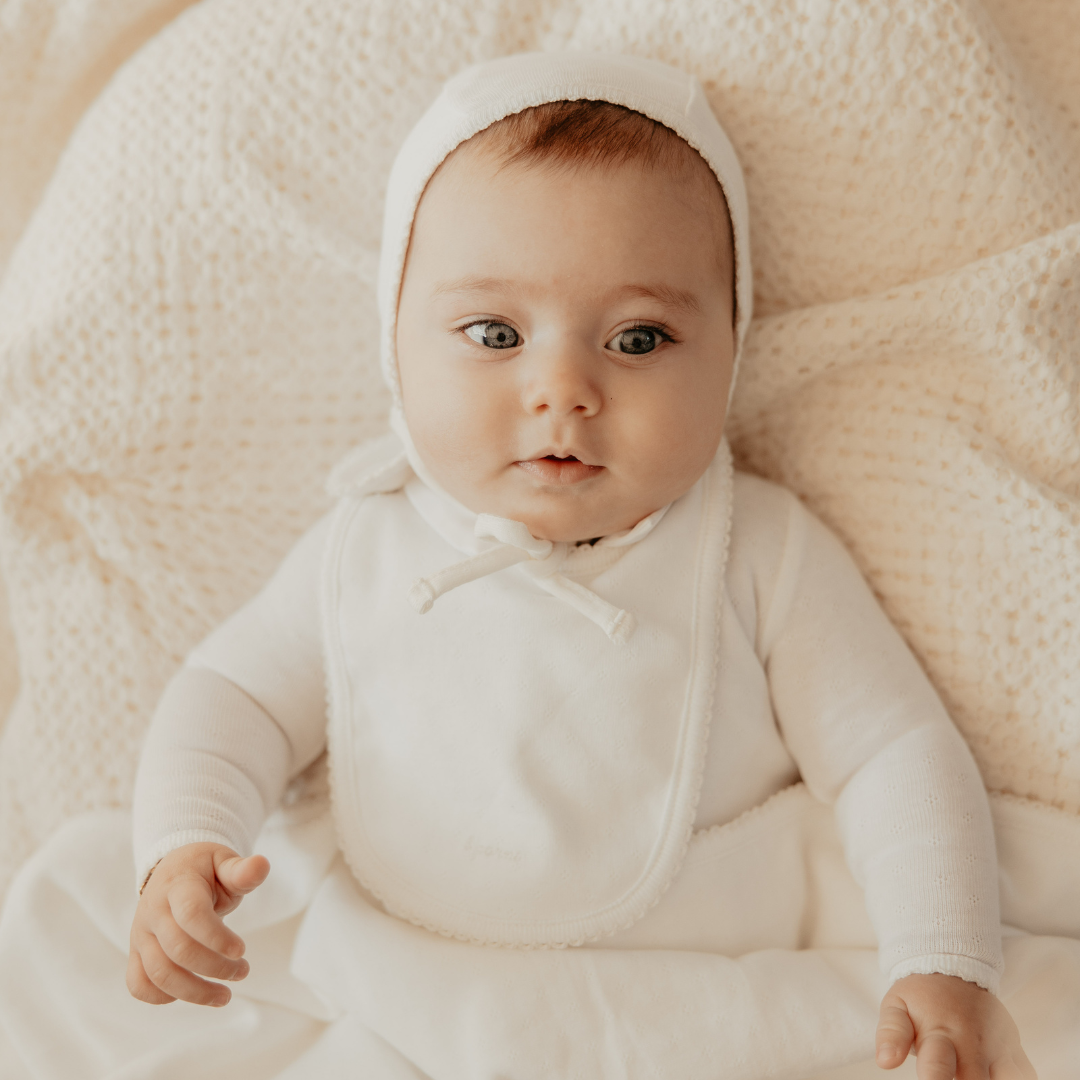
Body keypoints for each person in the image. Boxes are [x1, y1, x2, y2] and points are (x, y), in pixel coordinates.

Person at [124, 52, 1035, 1079]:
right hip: (412, 994)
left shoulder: (760, 551)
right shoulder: (360, 545)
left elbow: (894, 755)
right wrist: (184, 847)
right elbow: (231, 694)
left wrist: (941, 955)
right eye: (494, 332)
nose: (562, 387)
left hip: (704, 1004)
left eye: (639, 338)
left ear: (731, 352)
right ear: (395, 342)